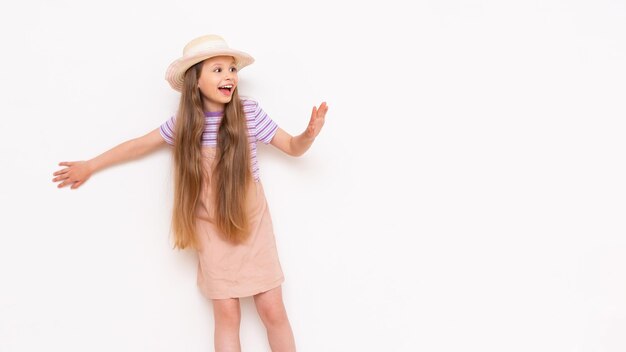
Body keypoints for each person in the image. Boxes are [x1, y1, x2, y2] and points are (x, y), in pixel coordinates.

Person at [52, 34, 328, 351]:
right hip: (212, 231)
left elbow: (293, 147)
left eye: (232, 69)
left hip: (252, 227)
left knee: (272, 309)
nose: (229, 76)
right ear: (195, 80)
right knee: (227, 314)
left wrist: (307, 135)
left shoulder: (249, 113)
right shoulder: (185, 124)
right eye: (218, 70)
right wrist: (91, 164)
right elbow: (138, 145)